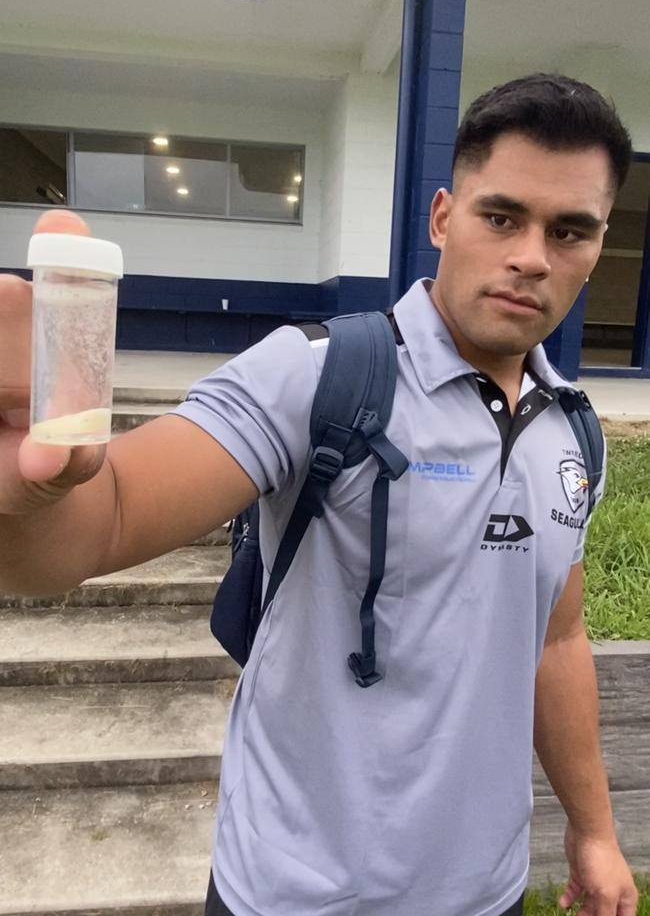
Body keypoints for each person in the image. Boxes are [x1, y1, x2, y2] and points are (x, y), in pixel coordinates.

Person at [0, 73, 639, 916]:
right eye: (501, 216)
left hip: (485, 894)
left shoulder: (575, 433)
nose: (531, 256)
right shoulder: (316, 374)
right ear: (443, 217)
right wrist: (33, 494)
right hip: (295, 893)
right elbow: (100, 520)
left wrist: (594, 832)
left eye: (570, 231)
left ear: (595, 249)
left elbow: (556, 640)